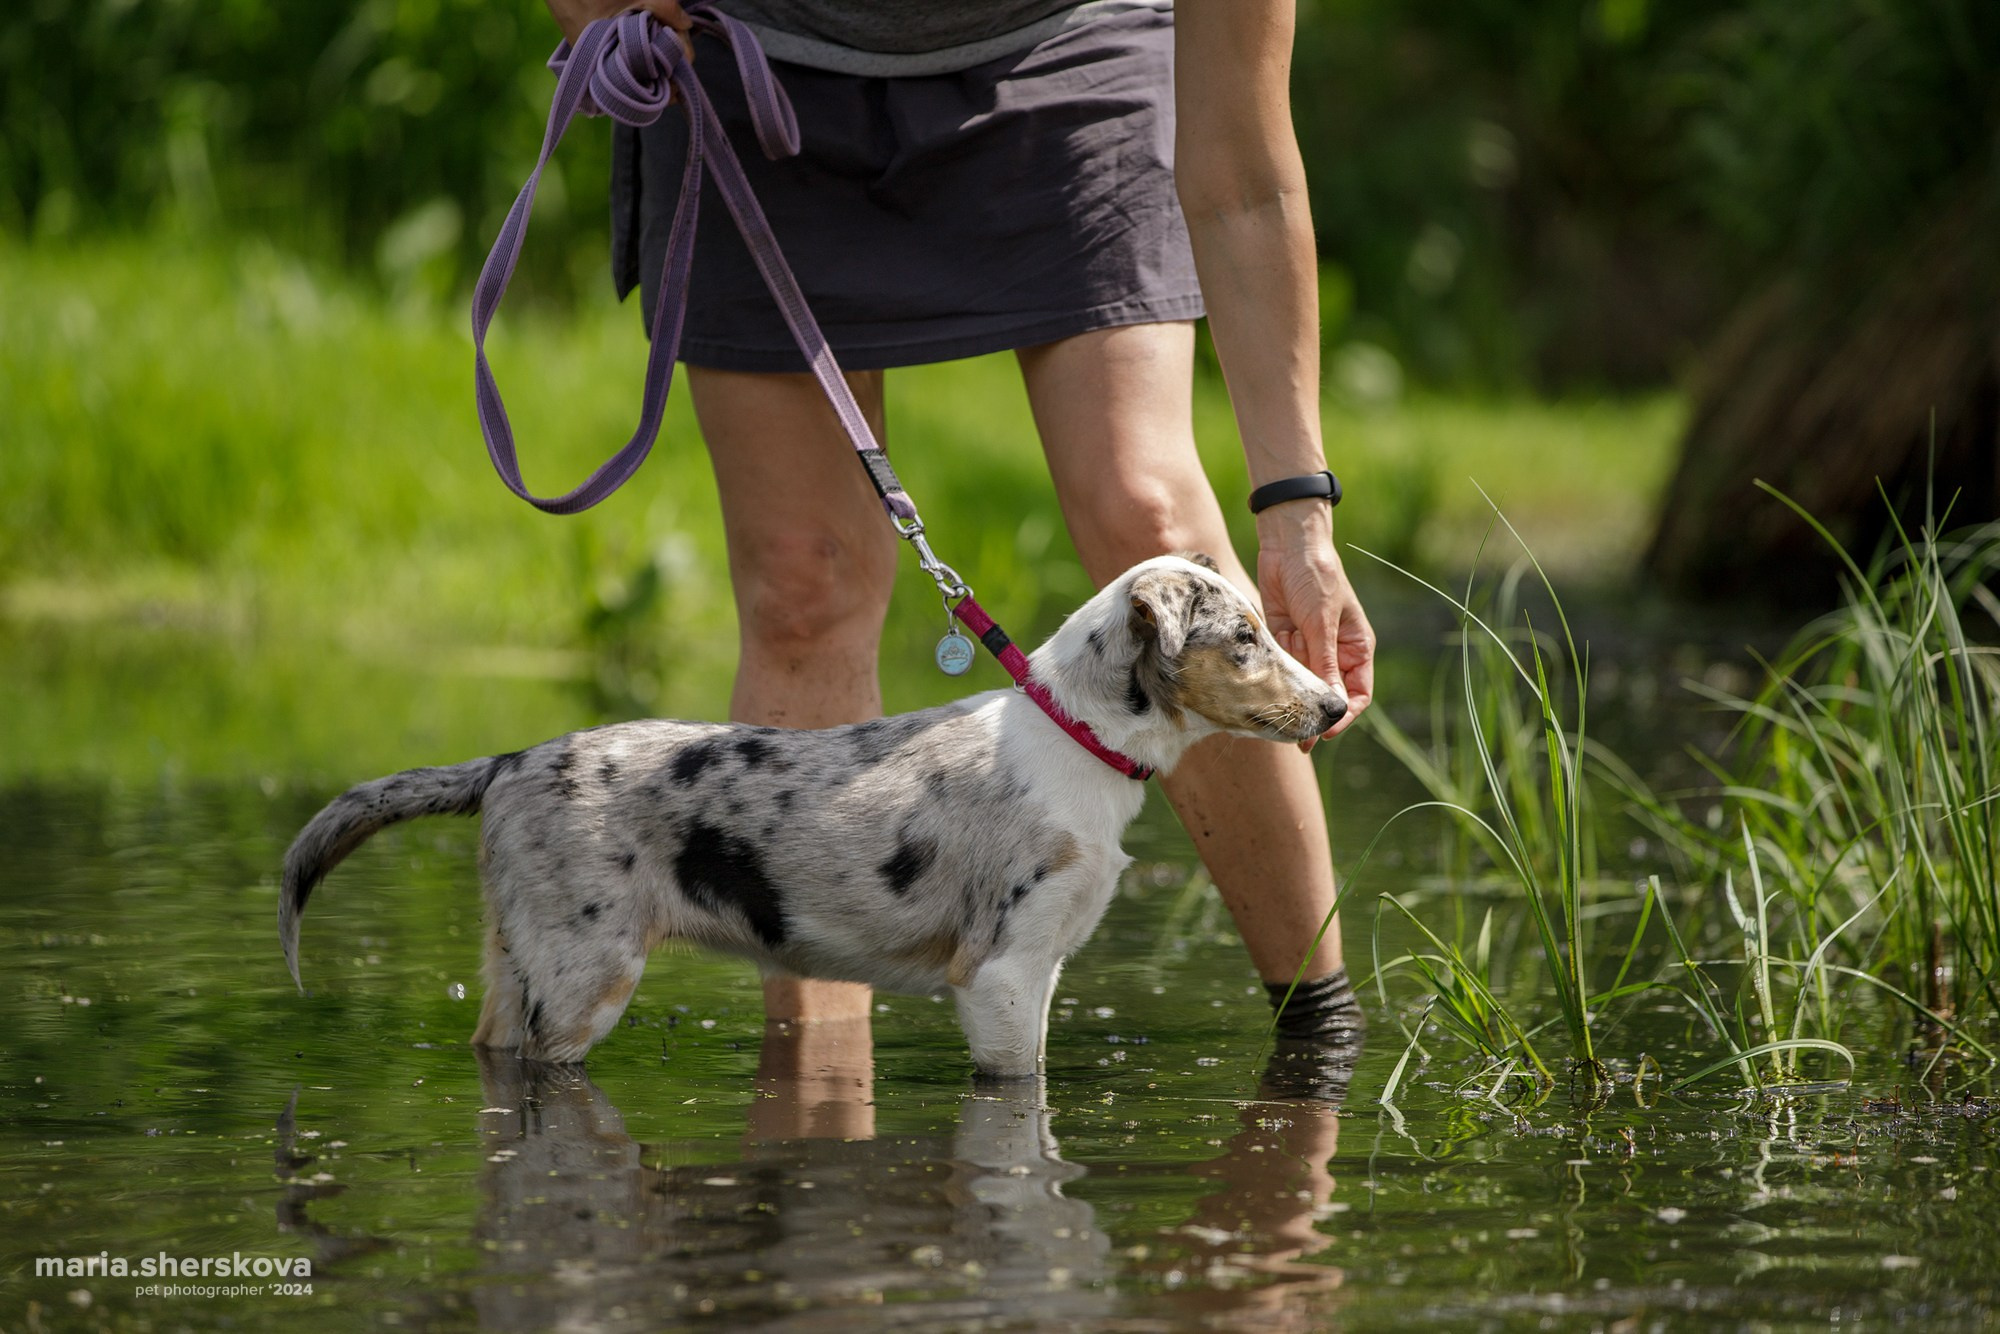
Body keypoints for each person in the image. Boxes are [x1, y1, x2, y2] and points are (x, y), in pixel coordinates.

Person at [541, 0, 1373, 1049]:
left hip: (1069, 50)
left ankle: (1319, 1052)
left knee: (1145, 510)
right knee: (805, 585)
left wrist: (1297, 517)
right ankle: (819, 1124)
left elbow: (1244, 178)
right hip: (756, 66)